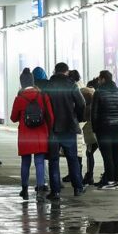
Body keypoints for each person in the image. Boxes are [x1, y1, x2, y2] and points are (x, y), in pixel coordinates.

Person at [41, 62, 86, 199]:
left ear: (55, 71)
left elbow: (43, 106)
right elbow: (82, 103)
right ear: (67, 72)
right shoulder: (72, 85)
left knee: (53, 160)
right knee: (72, 159)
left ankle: (55, 191)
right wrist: (77, 118)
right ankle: (78, 188)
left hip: (52, 128)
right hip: (69, 126)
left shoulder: (47, 86)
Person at [10, 68, 53, 200]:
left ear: (22, 83)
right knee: (39, 162)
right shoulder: (43, 96)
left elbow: (13, 118)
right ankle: (40, 189)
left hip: (25, 136)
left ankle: (24, 189)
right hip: (40, 134)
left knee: (25, 163)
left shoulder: (19, 98)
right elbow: (50, 116)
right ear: (33, 82)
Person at [91, 70, 118, 189]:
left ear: (103, 79)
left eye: (99, 79)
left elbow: (94, 114)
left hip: (103, 128)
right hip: (116, 128)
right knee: (116, 154)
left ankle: (110, 181)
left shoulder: (99, 93)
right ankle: (115, 179)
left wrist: (95, 129)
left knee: (107, 155)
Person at [77, 73, 97, 185]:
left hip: (91, 133)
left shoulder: (87, 107)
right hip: (101, 131)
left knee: (89, 153)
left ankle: (90, 175)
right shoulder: (97, 103)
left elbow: (82, 118)